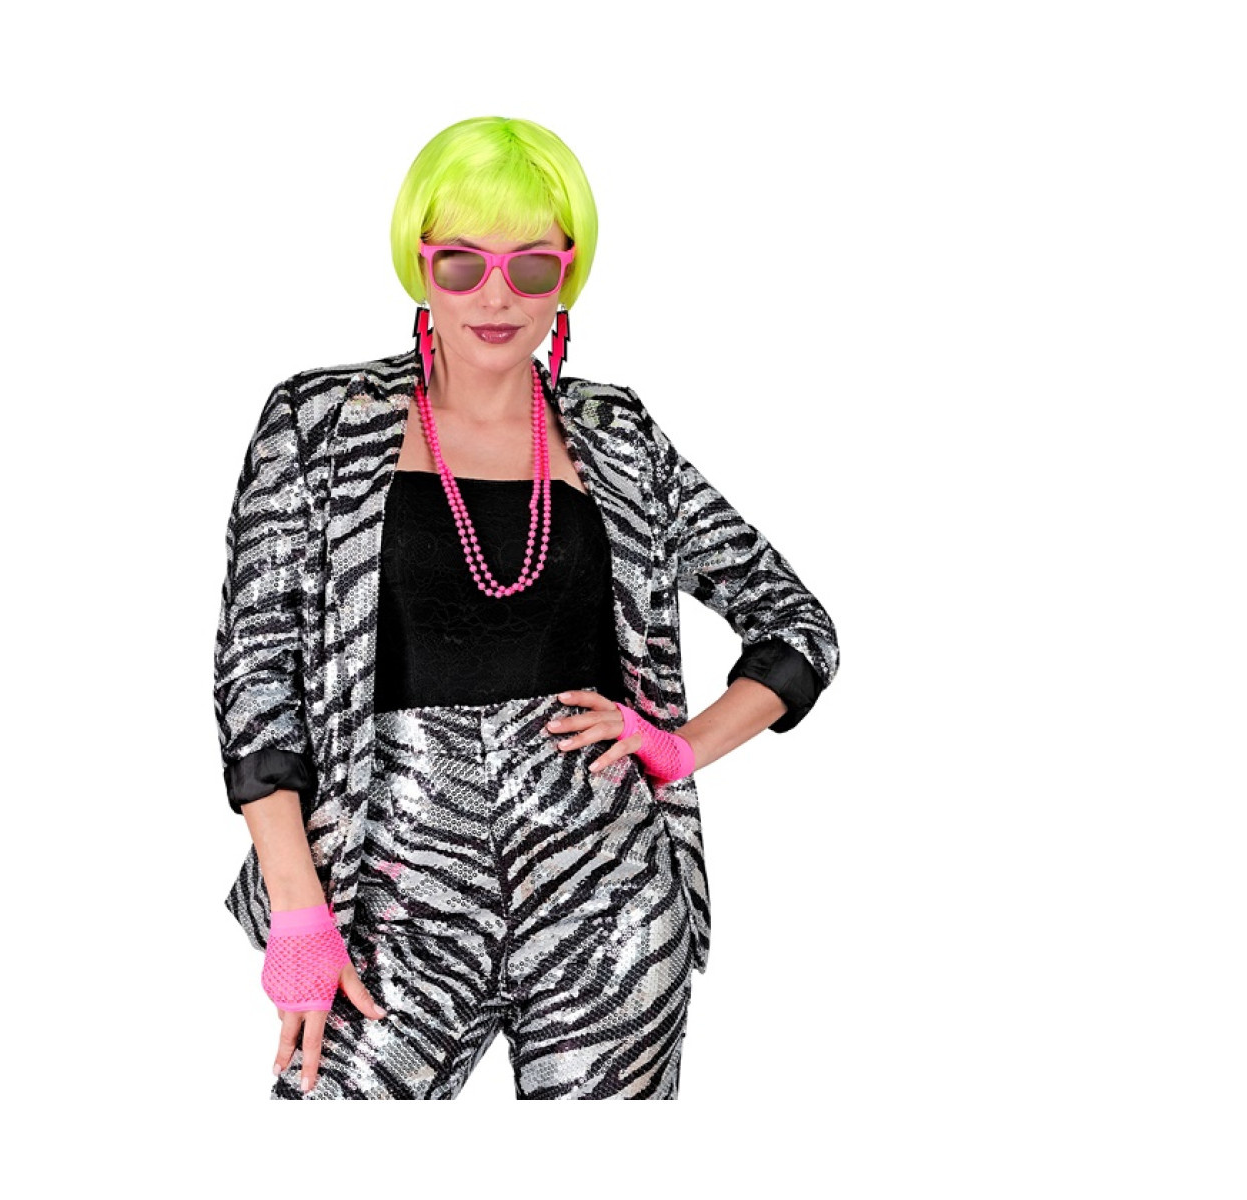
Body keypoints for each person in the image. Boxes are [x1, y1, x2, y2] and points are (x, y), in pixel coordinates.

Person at [213, 116, 840, 1100]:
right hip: (387, 891)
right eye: (462, 264)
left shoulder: (618, 435)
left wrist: (678, 748)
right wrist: (297, 904)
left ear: (568, 272)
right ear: (420, 265)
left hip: (605, 893)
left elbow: (796, 626)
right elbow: (257, 670)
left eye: (532, 266)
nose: (496, 296)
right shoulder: (319, 421)